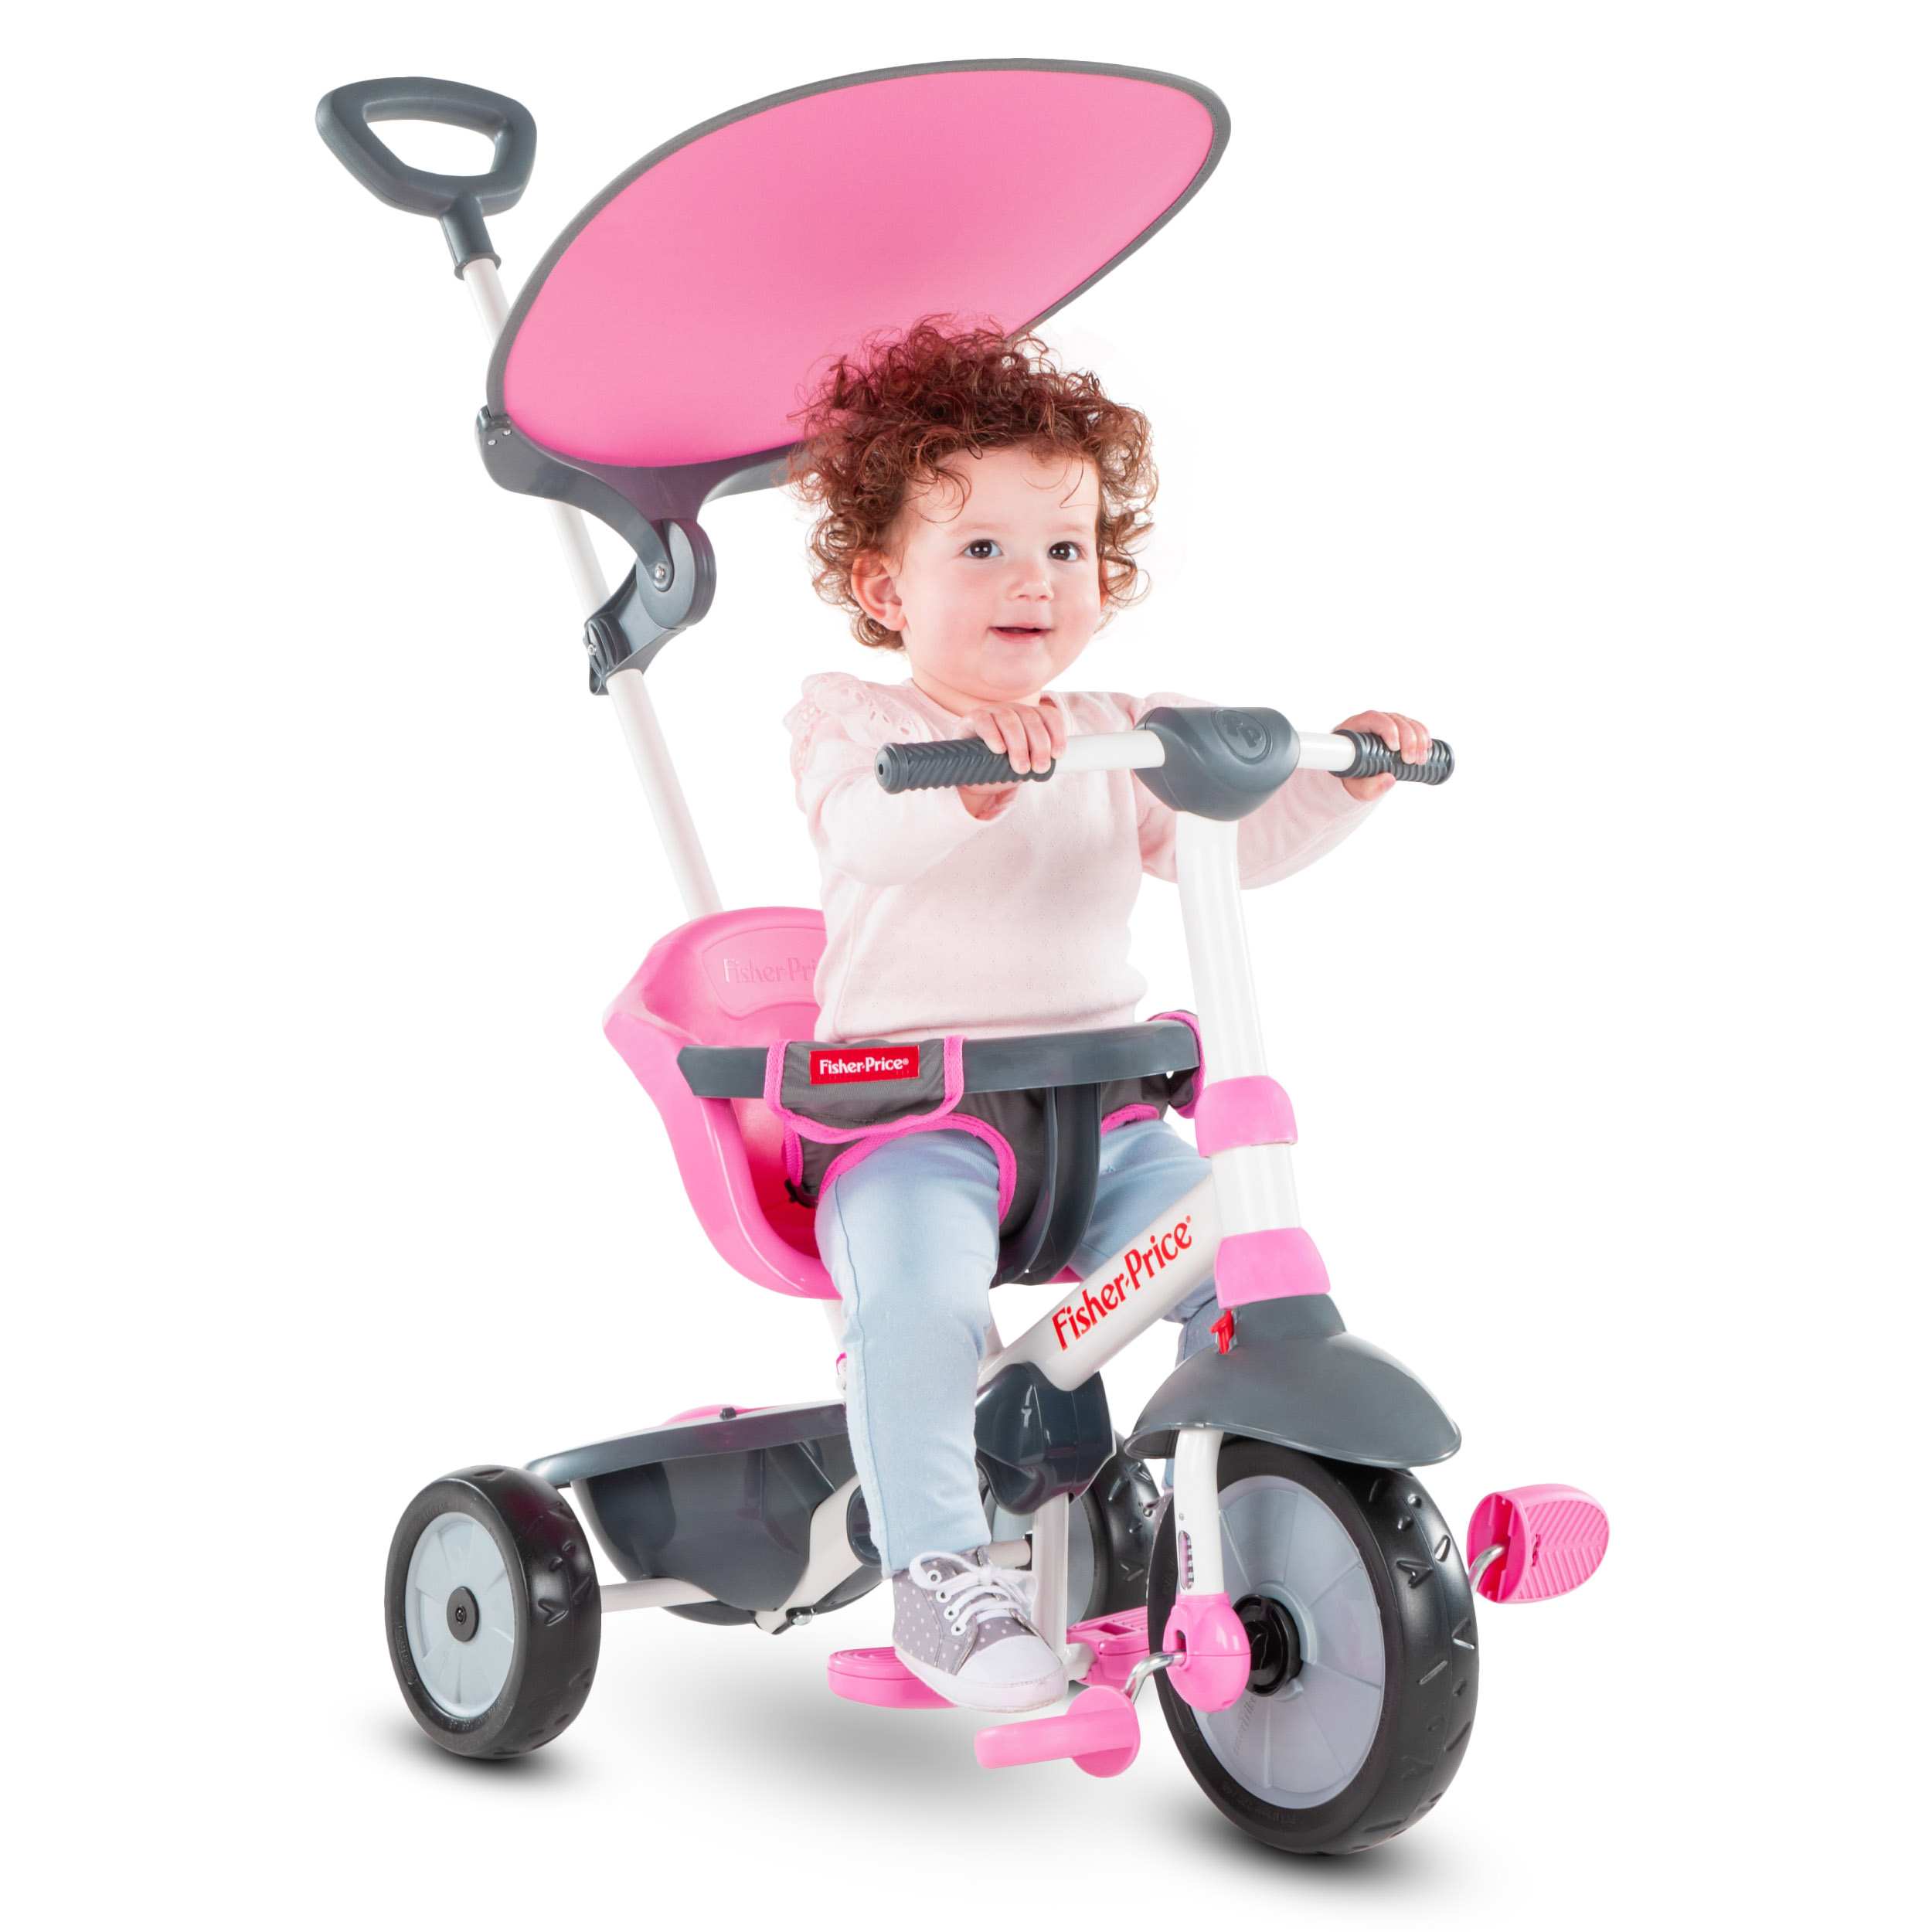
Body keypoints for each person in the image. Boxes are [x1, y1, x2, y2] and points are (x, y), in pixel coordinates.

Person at [783, 322, 1432, 1712]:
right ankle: (938, 1573)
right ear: (884, 584)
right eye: (983, 548)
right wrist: (967, 778)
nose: (1034, 580)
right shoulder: (858, 722)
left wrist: (1341, 781)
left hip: (1103, 1120)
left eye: (1065, 548)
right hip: (912, 1123)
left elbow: (1234, 842)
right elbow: (867, 835)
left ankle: (1228, 1503)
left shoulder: (1115, 728)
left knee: (1237, 1254)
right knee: (919, 1306)